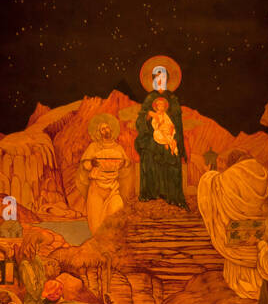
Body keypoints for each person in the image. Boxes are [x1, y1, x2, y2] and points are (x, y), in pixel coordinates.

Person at [135, 56, 188, 207]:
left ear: (168, 78)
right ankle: (151, 193)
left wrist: (173, 135)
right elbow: (140, 119)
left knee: (171, 160)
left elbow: (177, 122)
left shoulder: (172, 98)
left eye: (163, 76)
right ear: (152, 79)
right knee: (149, 157)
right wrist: (148, 116)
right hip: (152, 138)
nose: (160, 79)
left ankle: (171, 195)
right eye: (157, 77)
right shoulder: (150, 98)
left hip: (169, 134)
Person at [77, 113, 128, 233]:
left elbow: (126, 163)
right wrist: (92, 163)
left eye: (107, 128)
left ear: (111, 129)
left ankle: (113, 244)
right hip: (97, 188)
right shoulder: (94, 147)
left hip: (113, 187)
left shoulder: (118, 148)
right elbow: (85, 165)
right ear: (99, 132)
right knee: (96, 223)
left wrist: (121, 164)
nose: (105, 130)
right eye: (102, 129)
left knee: (117, 211)